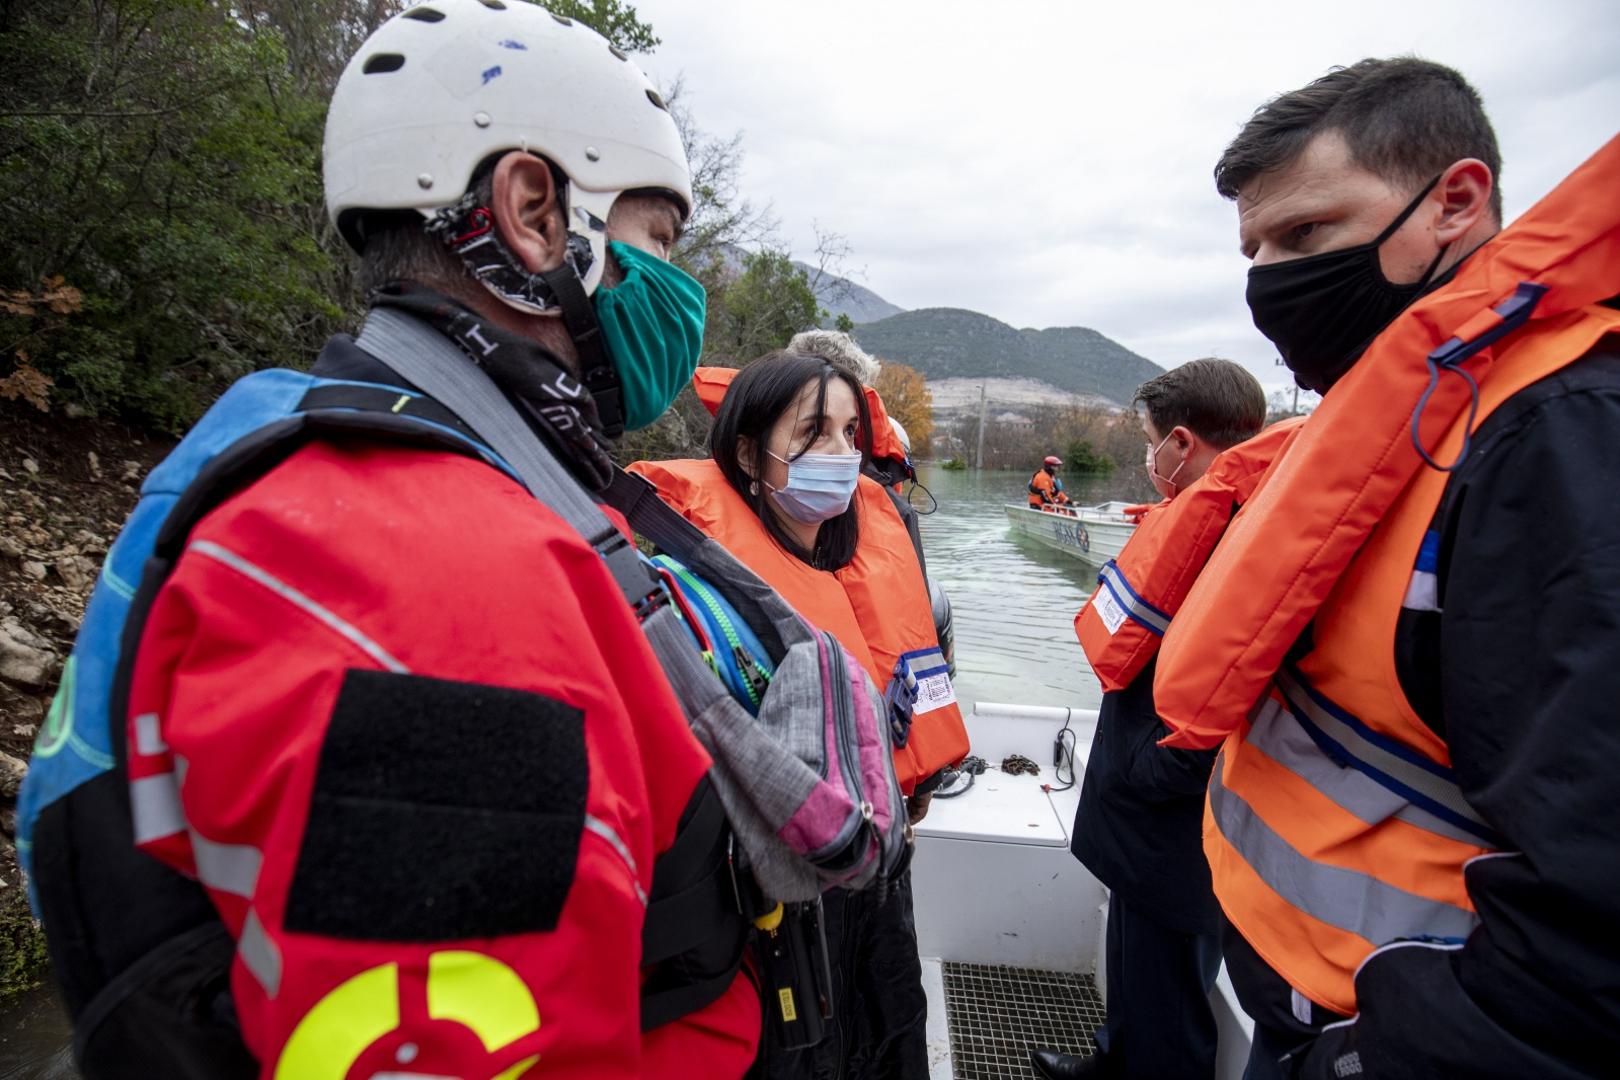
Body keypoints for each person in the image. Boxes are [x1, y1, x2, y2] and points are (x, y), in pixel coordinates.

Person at [16, 3, 763, 1076]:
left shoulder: (341, 451)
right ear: (536, 214)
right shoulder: (444, 579)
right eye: (657, 240)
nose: (682, 294)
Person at [1150, 60, 1620, 1079]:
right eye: (1256, 249)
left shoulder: (1558, 438)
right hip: (1299, 1002)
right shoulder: (1402, 422)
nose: (1272, 278)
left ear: (1457, 202)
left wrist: (1377, 1055)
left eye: (1308, 235)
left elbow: (1593, 910)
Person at [630, 350, 971, 1079]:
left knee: (888, 1030)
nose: (841, 455)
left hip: (878, 880)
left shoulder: (868, 556)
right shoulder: (690, 595)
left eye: (851, 434)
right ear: (750, 452)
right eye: (814, 431)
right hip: (777, 907)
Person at [1030, 359, 1269, 1080]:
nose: (1146, 455)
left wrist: (1153, 774)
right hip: (1141, 794)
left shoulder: (1250, 543)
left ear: (1183, 444)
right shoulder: (1201, 522)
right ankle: (1113, 1060)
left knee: (1170, 986)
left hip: (1176, 805)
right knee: (1134, 958)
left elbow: (1237, 685)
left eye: (1149, 440)